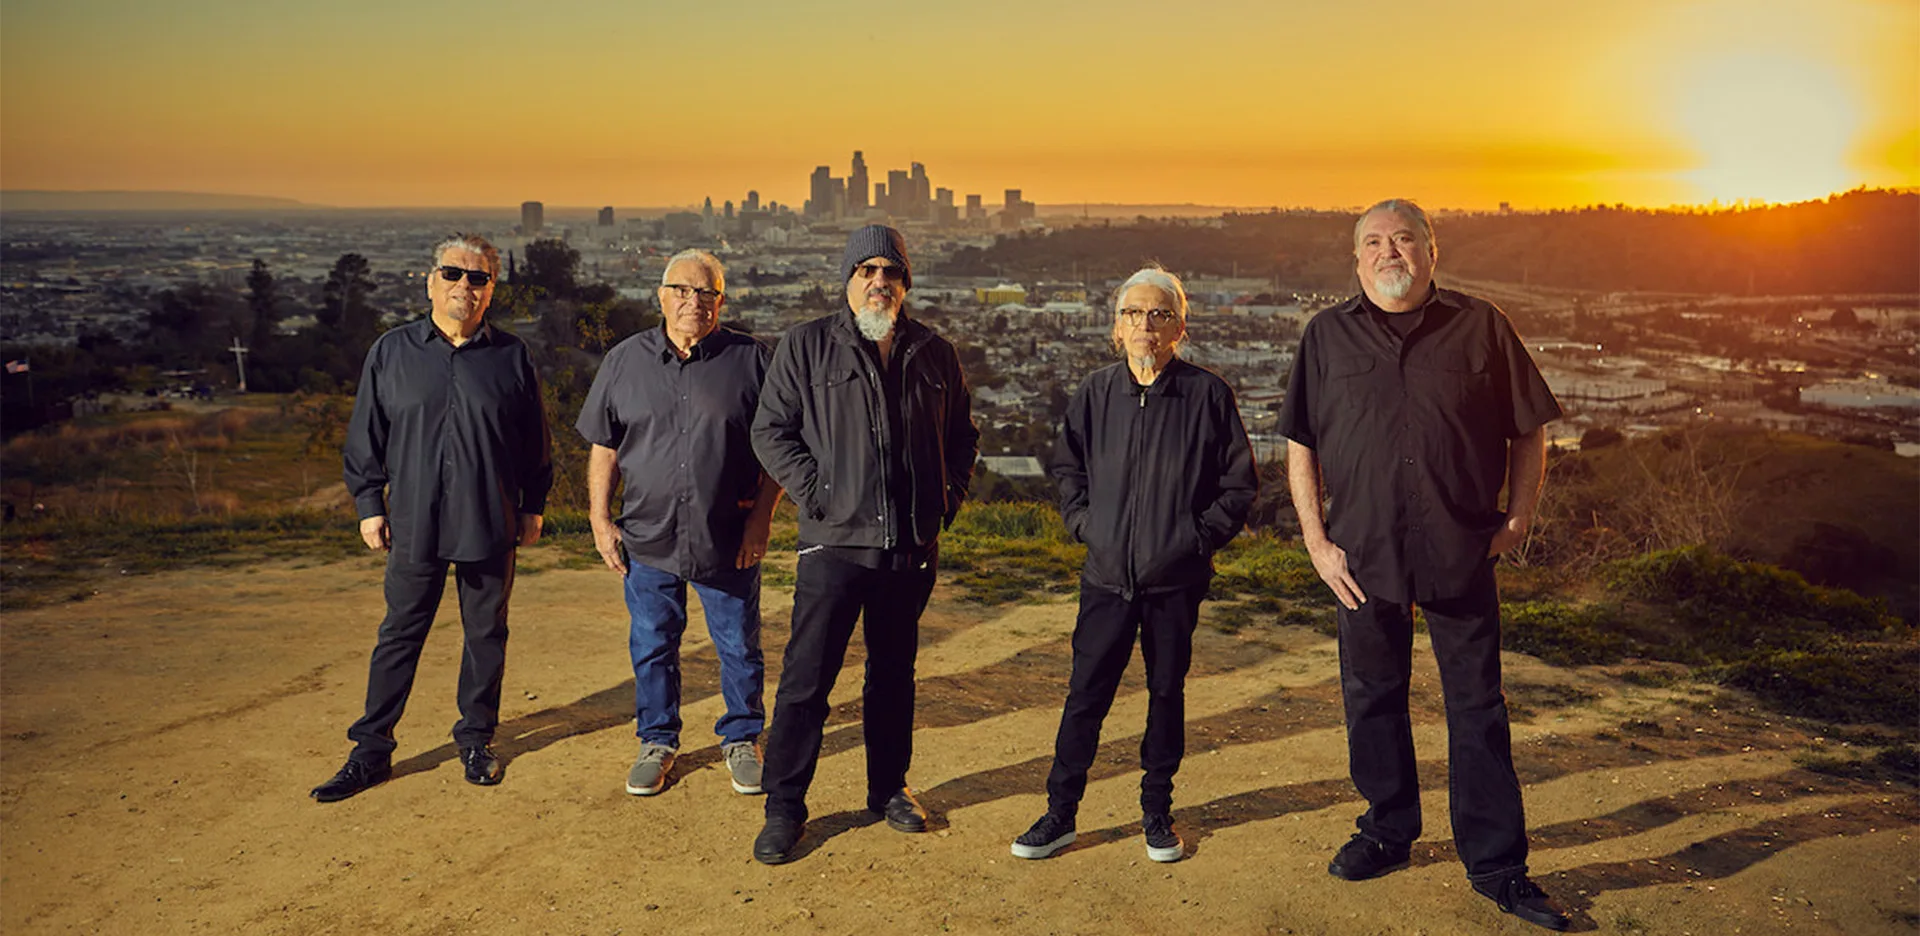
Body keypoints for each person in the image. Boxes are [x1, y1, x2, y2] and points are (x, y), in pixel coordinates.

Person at [1279, 199, 1569, 931]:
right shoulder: (1326, 336)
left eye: (1404, 238)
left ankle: (1497, 865)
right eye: (1374, 241)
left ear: (1431, 251)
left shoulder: (1482, 326)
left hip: (1459, 548)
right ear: (1356, 259)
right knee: (1371, 697)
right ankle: (1386, 831)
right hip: (1361, 556)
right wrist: (1316, 541)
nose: (1390, 252)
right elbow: (1300, 442)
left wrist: (1519, 516)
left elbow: (1529, 431)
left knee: (1477, 708)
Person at [747, 224, 979, 864]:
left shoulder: (935, 353)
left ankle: (889, 789)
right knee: (806, 681)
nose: (880, 282)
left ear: (906, 283)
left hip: (909, 548)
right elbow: (770, 431)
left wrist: (946, 499)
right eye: (867, 270)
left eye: (891, 272)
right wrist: (817, 493)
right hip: (833, 545)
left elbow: (963, 437)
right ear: (848, 279)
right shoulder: (806, 346)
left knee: (893, 676)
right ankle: (784, 807)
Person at [1012, 267, 1256, 863]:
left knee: (1165, 693)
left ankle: (1157, 812)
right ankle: (1060, 814)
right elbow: (1067, 468)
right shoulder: (1095, 392)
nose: (1145, 323)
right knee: (1085, 696)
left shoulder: (1207, 395)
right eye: (1132, 313)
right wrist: (1086, 526)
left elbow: (1238, 484)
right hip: (1105, 578)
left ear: (1179, 328)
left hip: (1175, 581)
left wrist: (1195, 540)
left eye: (1159, 314)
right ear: (1115, 327)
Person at [312, 233, 552, 802]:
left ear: (491, 290)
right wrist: (369, 505)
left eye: (478, 277)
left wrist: (533, 505)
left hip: (489, 516)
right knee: (399, 633)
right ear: (430, 282)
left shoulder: (512, 356)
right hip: (413, 520)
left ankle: (476, 739)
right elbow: (366, 435)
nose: (465, 286)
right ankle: (371, 751)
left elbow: (534, 441)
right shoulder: (391, 352)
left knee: (486, 634)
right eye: (453, 274)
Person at [576, 249, 781, 798]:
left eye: (707, 292)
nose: (695, 302)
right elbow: (604, 446)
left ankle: (742, 737)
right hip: (647, 536)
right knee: (652, 645)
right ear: (661, 296)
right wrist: (599, 518)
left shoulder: (752, 360)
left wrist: (761, 521)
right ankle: (657, 740)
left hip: (727, 538)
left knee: (738, 645)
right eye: (683, 291)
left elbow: (778, 449)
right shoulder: (624, 361)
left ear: (722, 300)